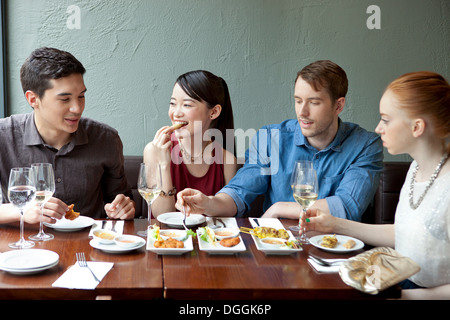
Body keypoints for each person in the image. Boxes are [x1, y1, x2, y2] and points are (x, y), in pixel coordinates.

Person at [302, 71, 450, 299]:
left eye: (386, 119)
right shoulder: (416, 169)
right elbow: (407, 234)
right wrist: (334, 224)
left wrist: (403, 297)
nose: (379, 128)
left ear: (417, 127)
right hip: (400, 285)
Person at [176, 60, 383, 220]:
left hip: (334, 253)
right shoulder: (270, 138)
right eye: (298, 101)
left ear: (338, 106)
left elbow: (348, 205)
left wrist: (279, 208)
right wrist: (209, 203)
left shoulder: (365, 146)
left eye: (314, 102)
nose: (302, 112)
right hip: (277, 250)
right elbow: (240, 191)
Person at [0, 47, 135, 223]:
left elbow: (121, 200)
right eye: (65, 99)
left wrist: (124, 207)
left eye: (81, 96)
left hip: (87, 245)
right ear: (33, 99)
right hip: (22, 246)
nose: (77, 109)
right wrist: (22, 210)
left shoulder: (106, 139)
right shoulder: (4, 136)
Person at [143, 70, 237, 217]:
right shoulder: (153, 150)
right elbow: (162, 216)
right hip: (169, 238)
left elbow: (227, 220)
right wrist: (164, 165)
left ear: (214, 112)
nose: (176, 113)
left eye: (186, 105)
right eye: (173, 103)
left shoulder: (227, 160)